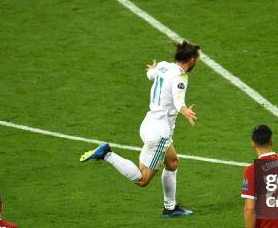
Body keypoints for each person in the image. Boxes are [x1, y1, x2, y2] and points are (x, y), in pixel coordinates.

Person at [80, 41, 200, 217]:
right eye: (197, 58)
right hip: (160, 133)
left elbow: (150, 74)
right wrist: (184, 111)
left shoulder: (163, 66)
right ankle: (107, 154)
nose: (198, 61)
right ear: (191, 59)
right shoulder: (180, 78)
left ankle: (170, 208)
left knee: (173, 162)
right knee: (143, 179)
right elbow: (178, 100)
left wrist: (152, 69)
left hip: (149, 123)